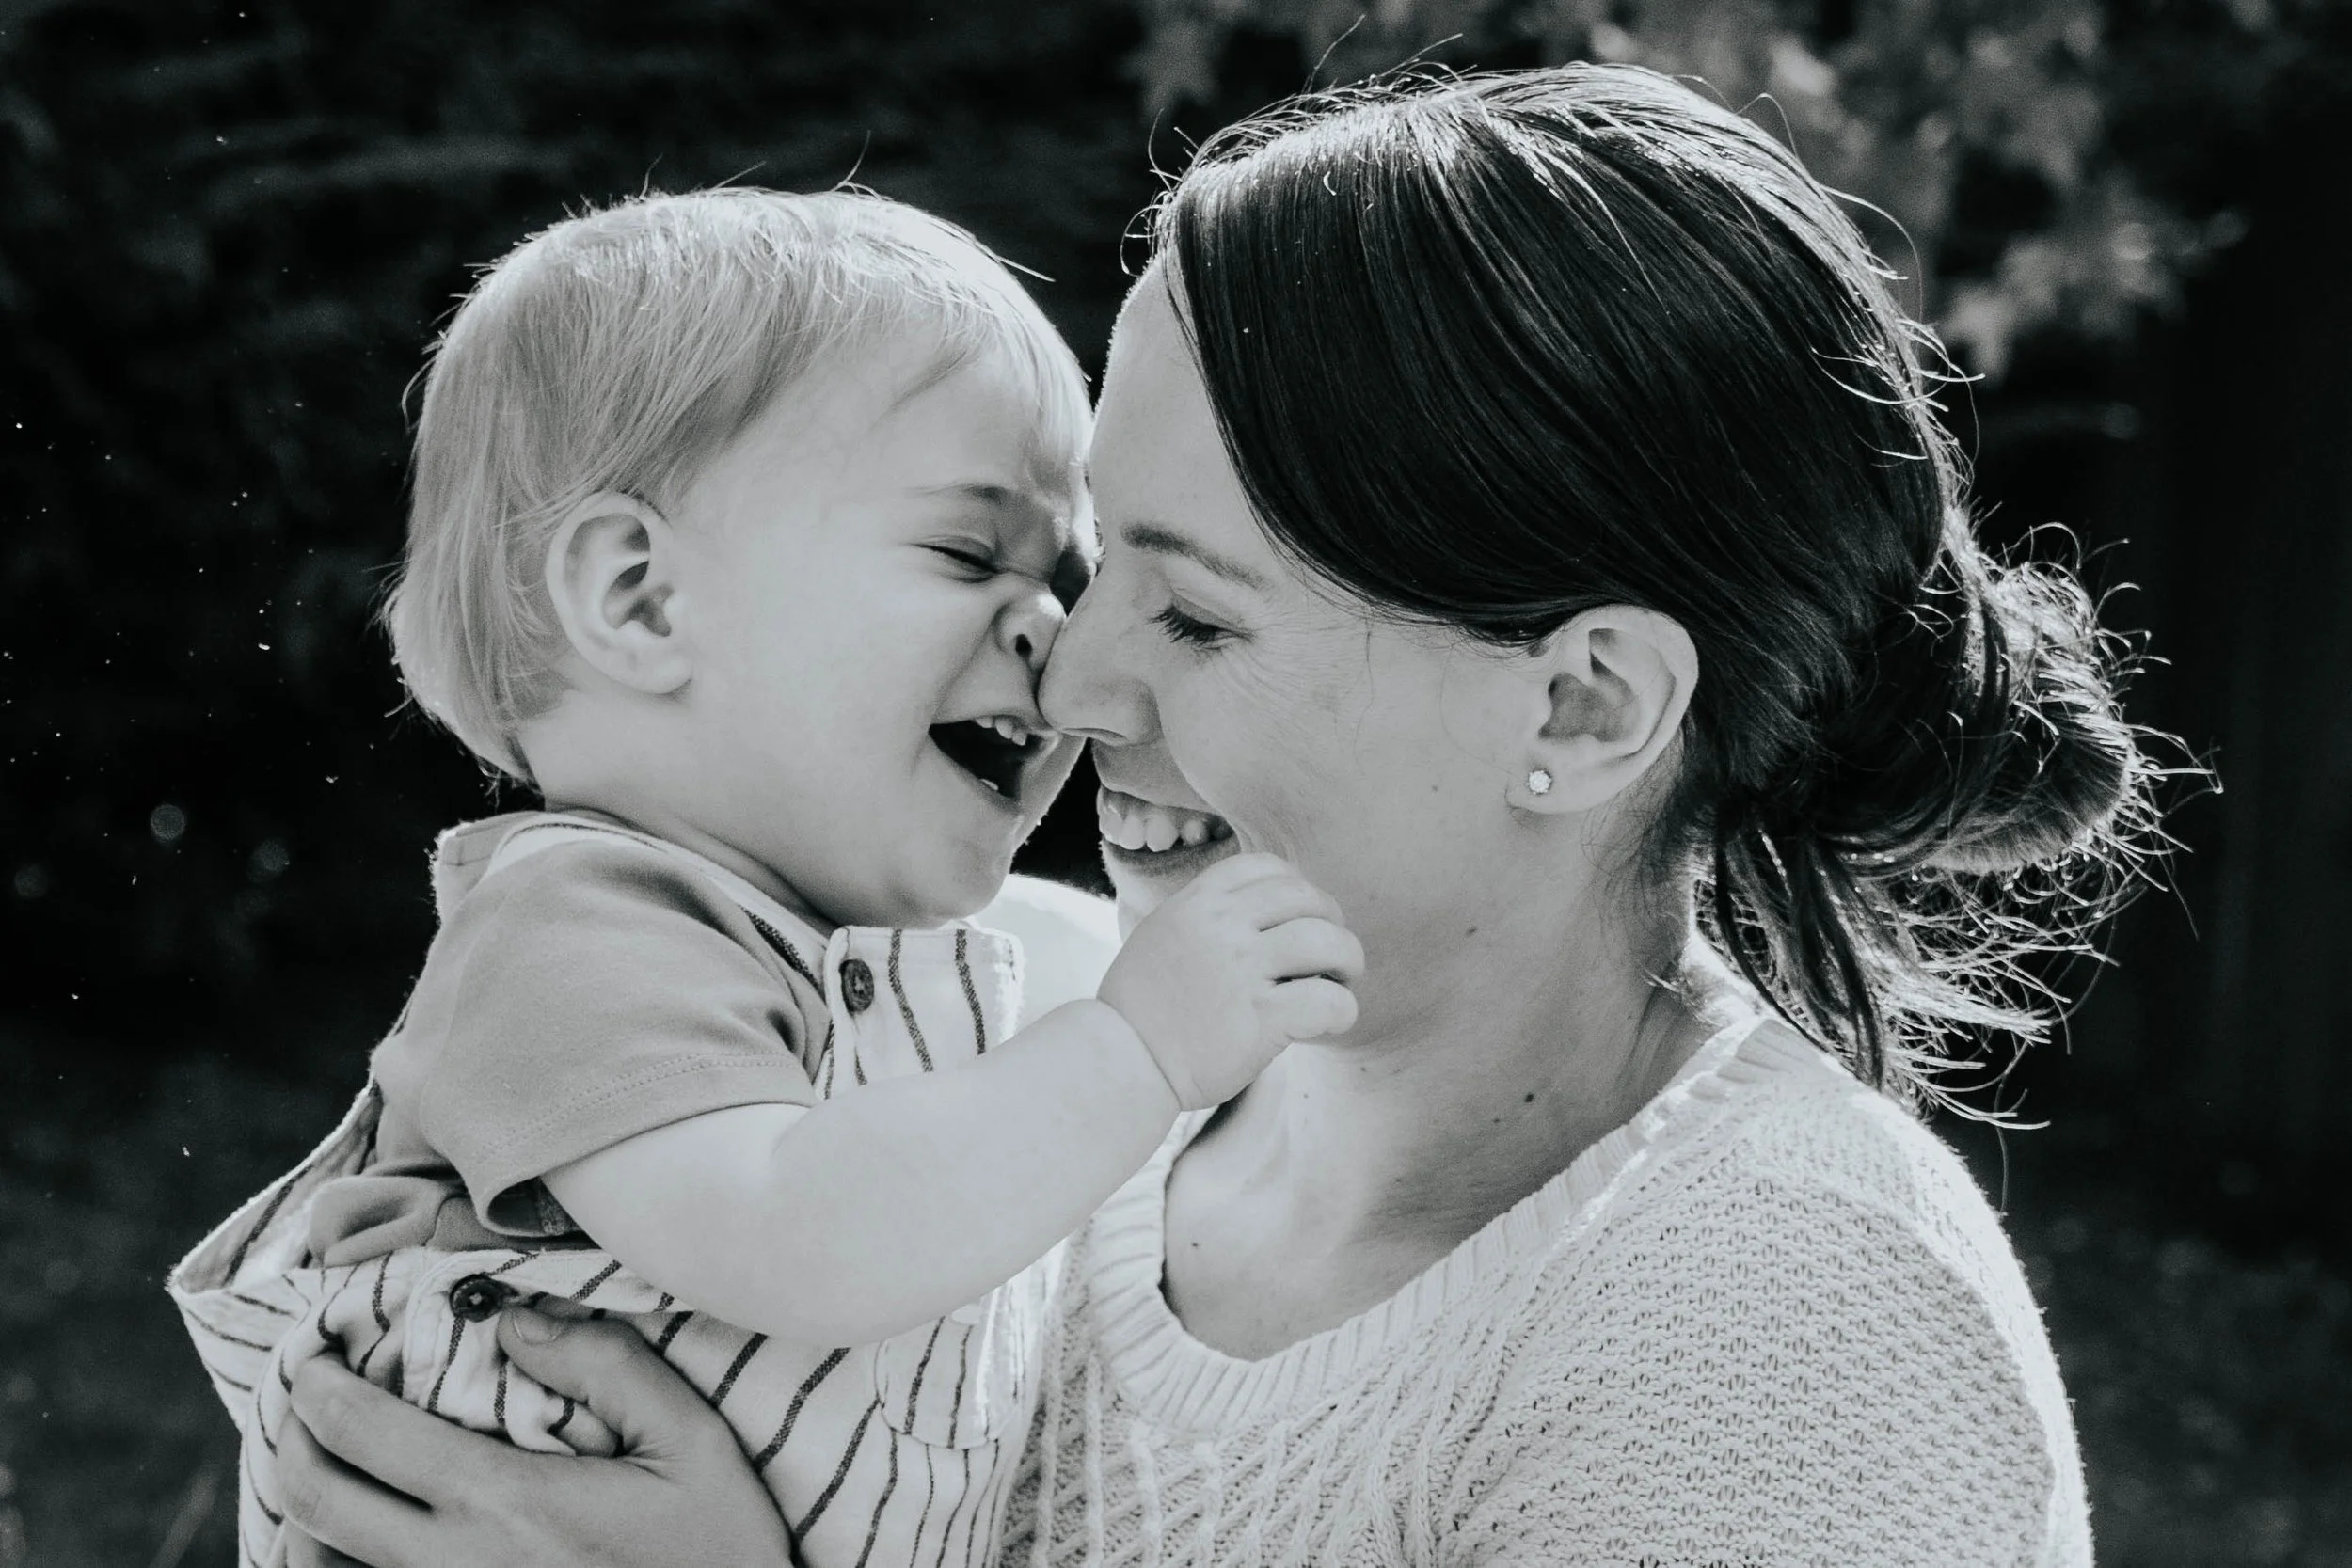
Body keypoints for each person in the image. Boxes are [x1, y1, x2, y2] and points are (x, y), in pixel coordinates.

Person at [273, 64, 2155, 1565]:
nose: (1070, 684)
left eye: (1191, 612)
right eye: (1091, 564)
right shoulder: (982, 1028)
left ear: (1581, 705)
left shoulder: (1787, 1332)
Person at [167, 188, 1362, 1568]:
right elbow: (808, 1236)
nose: (1055, 633)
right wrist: (1138, 1047)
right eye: (969, 552)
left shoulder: (828, 958)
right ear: (641, 599)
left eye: (1066, 576)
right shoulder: (575, 934)